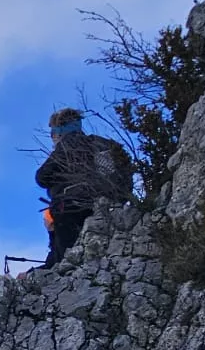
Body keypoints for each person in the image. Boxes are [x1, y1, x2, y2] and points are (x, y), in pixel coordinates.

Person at [36, 108, 134, 268]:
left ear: (58, 132)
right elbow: (125, 175)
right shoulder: (103, 144)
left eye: (52, 134)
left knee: (66, 261)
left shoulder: (68, 145)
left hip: (71, 209)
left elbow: (41, 177)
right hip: (110, 207)